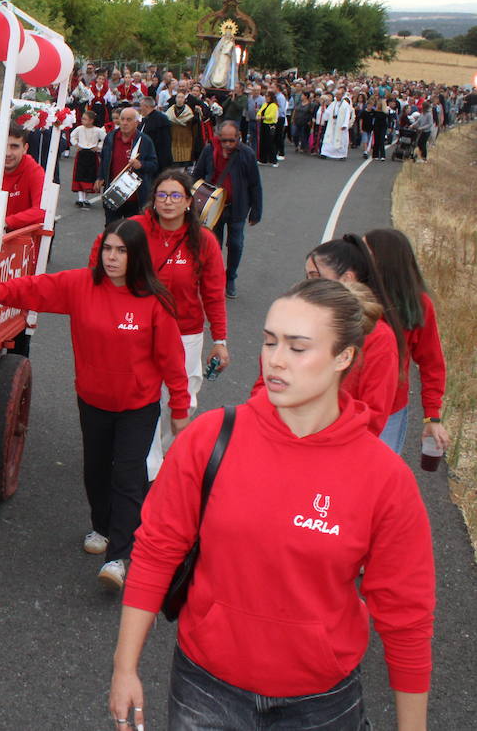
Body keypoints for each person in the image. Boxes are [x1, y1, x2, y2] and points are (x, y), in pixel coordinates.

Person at [110, 278, 434, 731]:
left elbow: (407, 616)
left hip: (322, 704)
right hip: (205, 690)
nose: (276, 360)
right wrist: (125, 668)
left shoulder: (384, 479)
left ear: (344, 357)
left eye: (298, 347)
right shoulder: (209, 439)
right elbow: (156, 550)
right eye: (269, 341)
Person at [0, 219, 189, 589]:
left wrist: (179, 410)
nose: (112, 258)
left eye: (122, 251)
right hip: (93, 400)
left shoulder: (154, 301)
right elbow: (33, 289)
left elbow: (172, 361)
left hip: (138, 405)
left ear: (136, 256)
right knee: (96, 470)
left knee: (128, 476)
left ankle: (118, 556)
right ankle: (100, 527)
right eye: (108, 250)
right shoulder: (81, 285)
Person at [91, 170, 227, 480]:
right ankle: (149, 467)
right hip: (140, 331)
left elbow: (214, 294)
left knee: (181, 402)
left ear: (188, 202)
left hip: (186, 335)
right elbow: (101, 251)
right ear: (154, 199)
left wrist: (220, 340)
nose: (168, 202)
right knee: (144, 398)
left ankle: (165, 452)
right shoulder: (136, 229)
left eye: (176, 196)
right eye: (162, 195)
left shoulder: (203, 241)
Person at [297, 236, 405, 438]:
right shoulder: (305, 321)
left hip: (334, 449)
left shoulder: (379, 338)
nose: (307, 285)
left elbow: (373, 416)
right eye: (307, 276)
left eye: (315, 276)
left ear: (347, 279)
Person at [364, 228, 450, 456]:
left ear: (385, 260)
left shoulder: (418, 304)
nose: (359, 257)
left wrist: (432, 416)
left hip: (390, 411)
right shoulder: (356, 296)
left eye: (366, 251)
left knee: (376, 478)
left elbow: (432, 363)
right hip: (344, 405)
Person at [191, 120, 261, 299]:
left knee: (236, 244)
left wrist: (256, 211)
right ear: (218, 138)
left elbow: (255, 184)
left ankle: (231, 277)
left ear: (239, 137)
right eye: (225, 140)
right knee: (214, 245)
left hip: (237, 207)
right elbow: (196, 176)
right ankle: (214, 278)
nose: (229, 144)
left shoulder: (247, 154)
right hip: (214, 209)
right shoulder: (209, 150)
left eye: (232, 140)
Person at [96, 108, 159, 224]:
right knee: (111, 229)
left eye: (129, 120)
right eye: (122, 119)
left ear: (136, 122)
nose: (124, 123)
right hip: (113, 193)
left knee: (132, 233)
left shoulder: (145, 141)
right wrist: (100, 177)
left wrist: (141, 165)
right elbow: (104, 159)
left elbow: (154, 165)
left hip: (135, 197)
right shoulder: (110, 137)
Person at [70, 109, 105, 208]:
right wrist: (76, 144)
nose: (82, 120)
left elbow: (105, 139)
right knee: (80, 174)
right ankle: (81, 198)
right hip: (81, 153)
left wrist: (98, 147)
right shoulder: (79, 129)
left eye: (85, 119)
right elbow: (72, 136)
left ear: (91, 120)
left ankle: (85, 198)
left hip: (92, 154)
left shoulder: (98, 130)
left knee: (90, 175)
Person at [138, 97, 173, 175]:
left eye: (141, 106)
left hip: (159, 158)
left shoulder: (161, 119)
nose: (140, 109)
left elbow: (165, 142)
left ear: (146, 106)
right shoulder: (146, 119)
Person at [165, 92, 196, 167]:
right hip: (173, 138)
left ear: (185, 100)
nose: (180, 99)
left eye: (182, 97)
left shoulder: (189, 113)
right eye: (178, 97)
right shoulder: (170, 111)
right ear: (175, 99)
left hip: (185, 139)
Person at [320, 92, 352, 160]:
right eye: (336, 95)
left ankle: (341, 155)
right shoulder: (333, 104)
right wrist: (325, 111)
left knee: (341, 140)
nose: (337, 96)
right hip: (332, 124)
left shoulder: (345, 105)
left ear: (342, 96)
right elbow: (328, 112)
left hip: (340, 126)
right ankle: (325, 153)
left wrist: (345, 124)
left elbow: (347, 116)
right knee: (329, 139)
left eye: (339, 95)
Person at [255, 91, 280, 166]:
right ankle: (263, 159)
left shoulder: (274, 105)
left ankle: (274, 160)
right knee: (263, 142)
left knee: (270, 143)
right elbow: (260, 111)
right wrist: (258, 115)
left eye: (267, 96)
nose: (266, 98)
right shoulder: (265, 104)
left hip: (270, 125)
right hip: (263, 124)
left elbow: (271, 116)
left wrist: (263, 117)